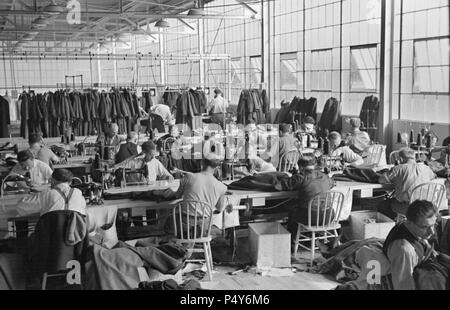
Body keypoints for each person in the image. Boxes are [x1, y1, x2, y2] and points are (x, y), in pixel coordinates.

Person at [382, 200, 438, 290]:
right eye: (425, 227)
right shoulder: (404, 250)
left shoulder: (411, 227)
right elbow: (403, 285)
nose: (432, 231)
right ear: (409, 223)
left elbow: (424, 241)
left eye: (433, 225)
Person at [285, 156, 334, 238]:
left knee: (292, 209)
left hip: (311, 217)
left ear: (300, 167)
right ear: (314, 165)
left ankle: (292, 241)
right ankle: (316, 237)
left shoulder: (300, 177)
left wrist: (294, 175)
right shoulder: (325, 176)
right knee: (306, 207)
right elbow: (331, 184)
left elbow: (287, 185)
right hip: (328, 216)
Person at [379, 147, 436, 217]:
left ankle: (397, 225)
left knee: (383, 204)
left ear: (401, 159)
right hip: (426, 206)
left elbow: (381, 180)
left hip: (409, 206)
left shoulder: (398, 168)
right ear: (414, 157)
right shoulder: (426, 168)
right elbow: (433, 176)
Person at [15, 169, 86, 217]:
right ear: (70, 182)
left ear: (52, 181)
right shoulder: (78, 193)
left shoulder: (47, 193)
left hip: (50, 236)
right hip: (75, 236)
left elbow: (21, 207)